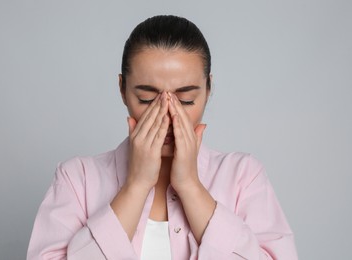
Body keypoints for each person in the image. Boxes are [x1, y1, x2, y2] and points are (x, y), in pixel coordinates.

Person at [27, 15, 298, 259]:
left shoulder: (243, 176)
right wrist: (136, 185)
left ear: (209, 89)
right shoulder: (77, 179)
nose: (168, 115)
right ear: (122, 90)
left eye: (186, 99)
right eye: (146, 99)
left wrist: (191, 186)